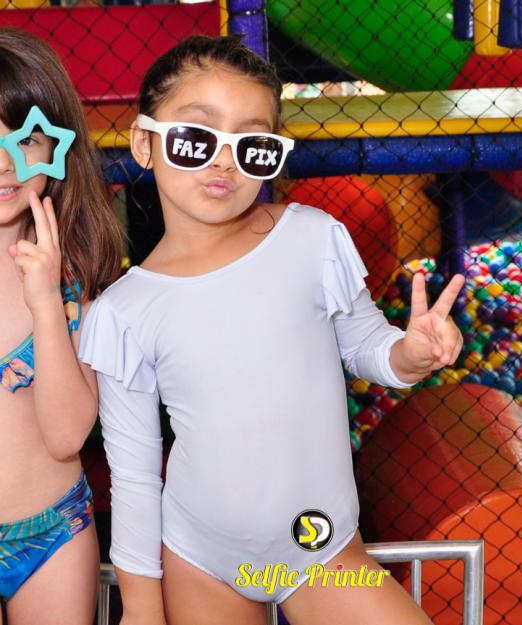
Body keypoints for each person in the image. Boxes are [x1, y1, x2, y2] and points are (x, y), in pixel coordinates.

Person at [79, 35, 464, 625]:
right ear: (144, 143)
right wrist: (141, 609)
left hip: (320, 548)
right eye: (195, 137)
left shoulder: (311, 238)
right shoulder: (125, 310)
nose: (223, 161)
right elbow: (133, 474)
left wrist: (409, 355)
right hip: (201, 561)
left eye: (252, 145)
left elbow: (366, 345)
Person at [0, 28, 124, 625]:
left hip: (54, 532)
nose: (4, 163)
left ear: (55, 145)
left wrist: (47, 303)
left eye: (22, 139)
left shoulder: (76, 279)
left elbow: (66, 436)